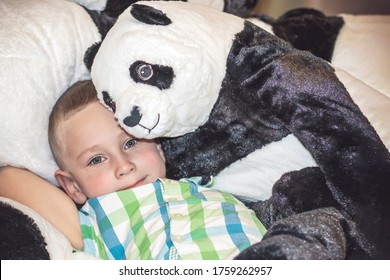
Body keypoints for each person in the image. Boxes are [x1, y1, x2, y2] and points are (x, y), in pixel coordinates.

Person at [0, 80, 266, 260]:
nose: (124, 166)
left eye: (130, 142)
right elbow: (7, 177)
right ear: (73, 187)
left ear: (158, 146)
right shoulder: (95, 221)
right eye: (96, 160)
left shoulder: (209, 185)